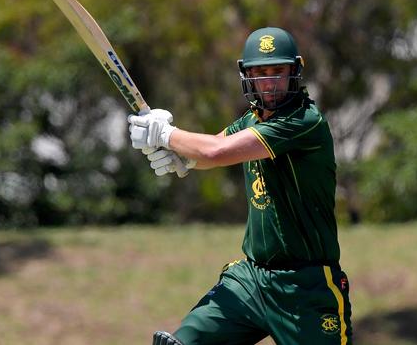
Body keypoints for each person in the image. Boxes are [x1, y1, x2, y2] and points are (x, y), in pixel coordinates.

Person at [128, 27, 352, 345]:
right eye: (261, 73)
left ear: (295, 71)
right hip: (250, 280)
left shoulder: (304, 121)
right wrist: (182, 158)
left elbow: (215, 152)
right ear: (247, 75)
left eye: (278, 71)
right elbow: (212, 149)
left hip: (306, 285)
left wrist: (165, 135)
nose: (270, 82)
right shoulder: (250, 119)